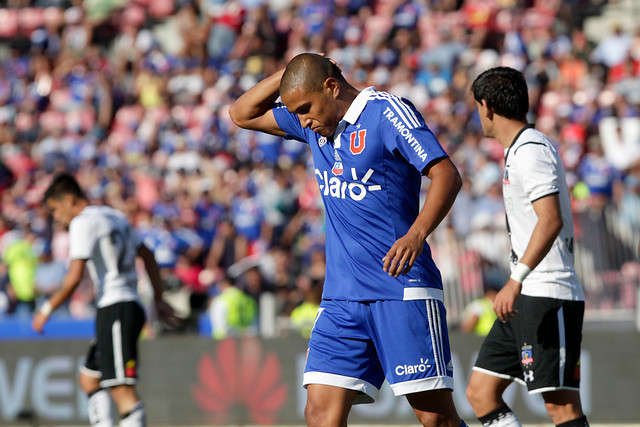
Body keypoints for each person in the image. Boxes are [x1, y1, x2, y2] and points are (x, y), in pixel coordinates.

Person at [229, 53, 467, 427]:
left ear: (331, 86)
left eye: (306, 107)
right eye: (297, 112)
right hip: (341, 296)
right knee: (320, 415)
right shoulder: (313, 124)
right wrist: (289, 72)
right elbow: (241, 113)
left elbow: (446, 175)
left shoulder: (386, 112)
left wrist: (416, 234)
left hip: (400, 287)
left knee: (436, 419)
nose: (303, 120)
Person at [466, 66, 589, 427]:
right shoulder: (519, 149)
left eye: (477, 107)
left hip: (547, 291)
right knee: (480, 392)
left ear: (486, 106)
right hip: (524, 296)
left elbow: (550, 219)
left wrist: (515, 278)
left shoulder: (532, 149)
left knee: (561, 407)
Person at [32, 173, 177, 427]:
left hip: (115, 307)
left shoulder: (82, 222)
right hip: (125, 305)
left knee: (122, 390)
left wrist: (47, 308)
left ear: (68, 200)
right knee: (88, 379)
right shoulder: (114, 216)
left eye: (55, 210)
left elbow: (74, 275)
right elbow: (148, 255)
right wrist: (158, 298)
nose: (56, 218)